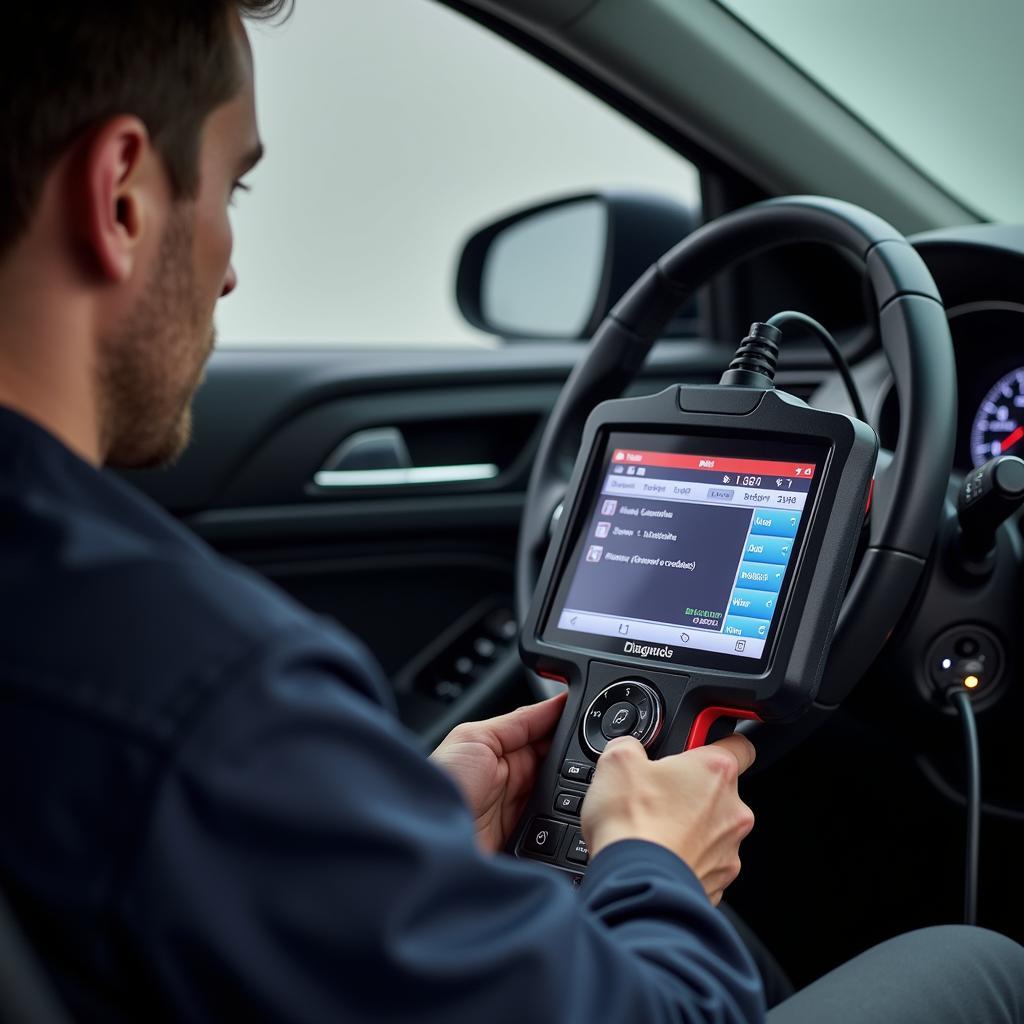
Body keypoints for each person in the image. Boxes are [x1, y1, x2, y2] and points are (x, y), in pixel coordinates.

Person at [0, 3, 1020, 1022]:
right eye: (234, 186)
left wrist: (396, 833)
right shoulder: (204, 694)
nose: (230, 268)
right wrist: (656, 867)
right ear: (122, 193)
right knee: (977, 961)